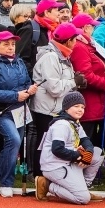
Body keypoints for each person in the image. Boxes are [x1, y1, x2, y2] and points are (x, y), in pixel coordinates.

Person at [0, 31, 36, 197]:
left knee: (12, 144)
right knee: (13, 139)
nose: (10, 47)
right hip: (0, 111)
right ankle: (7, 182)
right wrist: (15, 95)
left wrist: (30, 89)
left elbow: (26, 82)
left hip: (19, 110)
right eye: (6, 44)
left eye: (12, 44)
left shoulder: (19, 61)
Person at [29, 22, 85, 177]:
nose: (76, 42)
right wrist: (75, 82)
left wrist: (75, 81)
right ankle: (39, 177)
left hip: (55, 109)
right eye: (75, 39)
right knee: (45, 144)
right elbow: (54, 89)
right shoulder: (51, 57)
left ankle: (49, 176)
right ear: (68, 41)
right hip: (46, 110)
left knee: (51, 144)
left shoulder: (62, 55)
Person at [35, 92, 103, 205]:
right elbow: (57, 149)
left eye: (82, 107)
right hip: (55, 166)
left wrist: (89, 153)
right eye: (76, 106)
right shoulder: (61, 124)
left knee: (98, 153)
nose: (80, 109)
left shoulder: (74, 122)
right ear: (66, 108)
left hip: (68, 161)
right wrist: (79, 156)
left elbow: (85, 140)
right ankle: (47, 185)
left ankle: (83, 188)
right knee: (83, 199)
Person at [69, 14, 105, 148]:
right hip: (89, 101)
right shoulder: (80, 46)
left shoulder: (87, 45)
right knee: (87, 138)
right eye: (92, 27)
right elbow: (85, 75)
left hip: (96, 101)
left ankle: (94, 165)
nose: (94, 30)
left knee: (94, 138)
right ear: (86, 28)